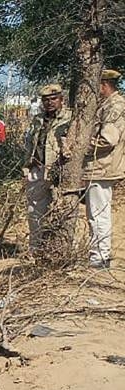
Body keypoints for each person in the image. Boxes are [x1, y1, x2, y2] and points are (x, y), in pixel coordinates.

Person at [82, 69, 125, 269]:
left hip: (102, 166)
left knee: (98, 214)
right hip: (100, 166)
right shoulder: (108, 105)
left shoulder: (115, 106)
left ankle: (100, 257)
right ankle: (99, 255)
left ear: (104, 85)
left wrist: (81, 147)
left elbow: (108, 139)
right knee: (97, 213)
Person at [23, 84, 72, 254]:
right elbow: (30, 143)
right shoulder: (37, 119)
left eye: (53, 99)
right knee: (35, 212)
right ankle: (36, 250)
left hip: (59, 170)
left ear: (61, 99)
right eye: (46, 100)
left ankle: (61, 251)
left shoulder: (70, 118)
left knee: (62, 211)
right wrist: (27, 166)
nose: (49, 103)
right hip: (37, 168)